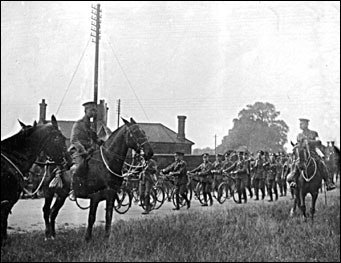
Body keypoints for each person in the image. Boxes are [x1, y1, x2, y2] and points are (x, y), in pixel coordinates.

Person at [68, 101, 104, 200]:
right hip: (78, 151)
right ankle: (73, 190)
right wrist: (83, 151)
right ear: (86, 110)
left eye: (95, 110)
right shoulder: (78, 124)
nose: (93, 113)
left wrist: (103, 143)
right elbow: (74, 139)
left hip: (89, 151)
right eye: (91, 110)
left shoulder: (90, 125)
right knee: (78, 167)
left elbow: (95, 138)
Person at [287, 118, 336, 191]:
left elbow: (318, 141)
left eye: (302, 124)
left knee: (321, 163)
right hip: (302, 154)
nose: (300, 125)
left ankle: (328, 182)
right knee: (295, 164)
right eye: (300, 124)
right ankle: (293, 181)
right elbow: (298, 145)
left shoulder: (314, 133)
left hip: (313, 152)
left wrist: (309, 142)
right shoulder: (299, 135)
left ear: (306, 124)